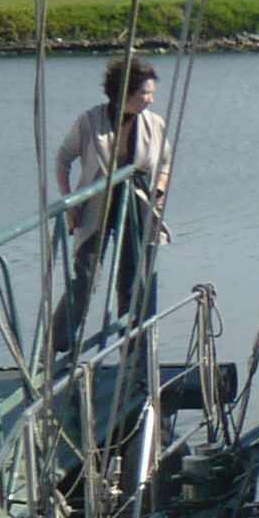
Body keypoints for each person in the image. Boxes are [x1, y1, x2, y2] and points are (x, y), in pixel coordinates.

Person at [53, 55, 174, 351]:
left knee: (132, 280)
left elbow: (166, 163)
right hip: (95, 207)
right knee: (86, 277)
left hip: (136, 207)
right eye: (146, 94)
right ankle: (58, 345)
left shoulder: (155, 124)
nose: (150, 100)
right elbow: (62, 160)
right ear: (125, 93)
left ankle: (132, 349)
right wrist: (69, 202)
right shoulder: (89, 122)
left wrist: (158, 191)